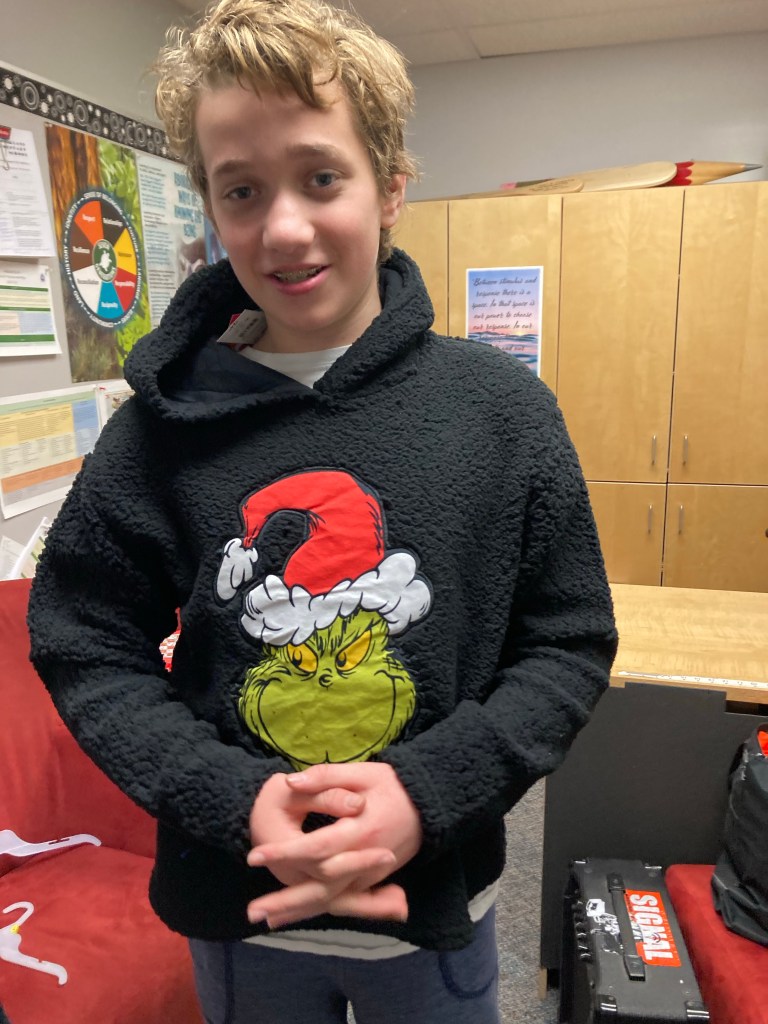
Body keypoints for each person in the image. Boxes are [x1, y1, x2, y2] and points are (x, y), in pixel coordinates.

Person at [27, 0, 618, 1021]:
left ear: (390, 186)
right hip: (239, 908)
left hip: (434, 904)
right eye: (242, 190)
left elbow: (567, 642)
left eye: (321, 177)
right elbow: (83, 640)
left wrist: (431, 791)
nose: (285, 227)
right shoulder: (158, 432)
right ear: (211, 208)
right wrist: (230, 796)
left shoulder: (503, 414)